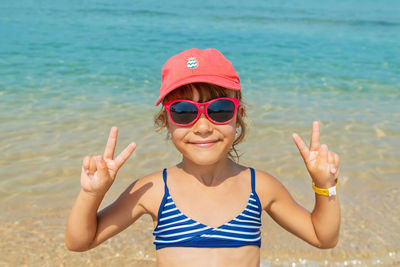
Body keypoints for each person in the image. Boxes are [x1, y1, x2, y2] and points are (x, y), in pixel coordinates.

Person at [65, 48, 340, 266]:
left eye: (219, 110)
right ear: (167, 121)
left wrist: (324, 185)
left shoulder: (260, 186)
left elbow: (322, 237)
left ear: (238, 116)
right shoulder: (154, 190)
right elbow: (79, 241)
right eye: (184, 112)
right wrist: (92, 194)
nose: (204, 126)